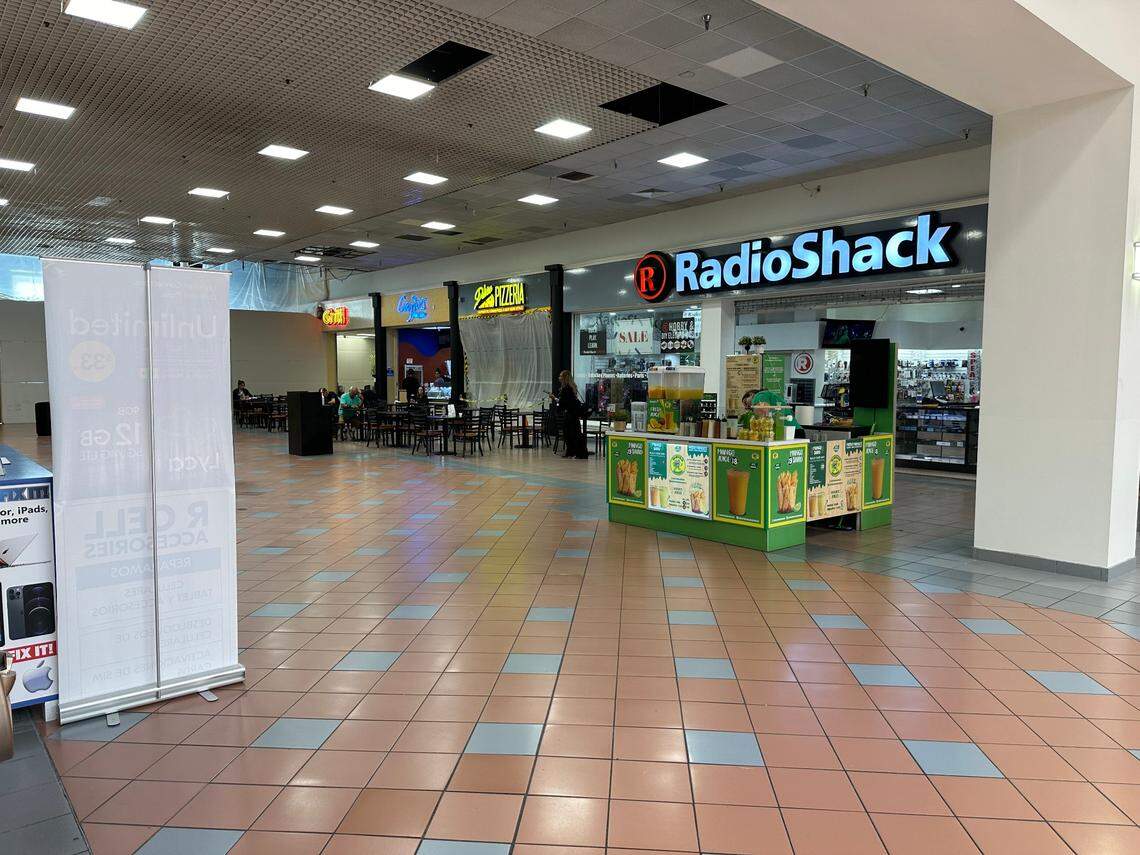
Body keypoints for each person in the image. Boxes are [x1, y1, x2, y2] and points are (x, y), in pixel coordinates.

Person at [551, 370, 588, 459]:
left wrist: (555, 400)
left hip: (570, 415)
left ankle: (571, 452)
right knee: (575, 434)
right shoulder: (572, 388)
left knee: (569, 434)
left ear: (564, 378)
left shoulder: (566, 389)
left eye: (560, 376)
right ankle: (576, 452)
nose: (559, 378)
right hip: (574, 415)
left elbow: (563, 402)